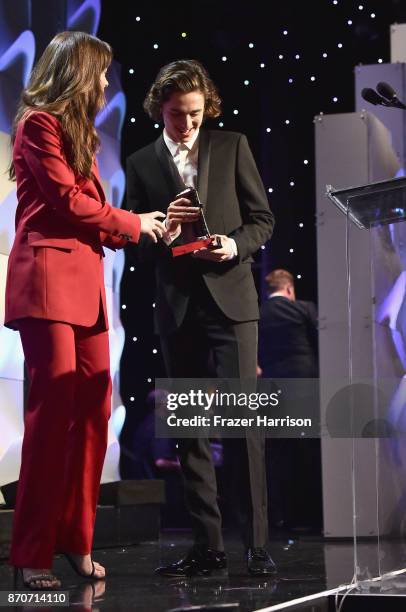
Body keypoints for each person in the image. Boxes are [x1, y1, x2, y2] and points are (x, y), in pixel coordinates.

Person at [5, 31, 165, 590]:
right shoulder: (38, 124)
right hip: (47, 286)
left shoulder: (82, 136)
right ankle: (30, 553)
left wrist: (148, 228)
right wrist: (130, 222)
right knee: (50, 419)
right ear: (75, 72)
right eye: (100, 73)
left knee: (94, 416)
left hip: (86, 293)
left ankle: (76, 540)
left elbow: (89, 211)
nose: (104, 84)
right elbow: (68, 203)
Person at [126, 59, 275, 576]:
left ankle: (256, 545)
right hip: (179, 306)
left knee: (243, 426)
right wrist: (163, 232)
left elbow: (263, 220)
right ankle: (207, 546)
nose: (185, 125)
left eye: (193, 114)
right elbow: (135, 246)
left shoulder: (232, 145)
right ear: (158, 110)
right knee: (191, 429)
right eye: (174, 115)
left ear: (206, 107)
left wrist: (232, 244)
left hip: (233, 303)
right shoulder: (142, 162)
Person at [258, 269, 321, 530]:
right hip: (306, 386)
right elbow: (321, 341)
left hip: (273, 390)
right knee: (309, 450)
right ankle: (315, 515)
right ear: (290, 289)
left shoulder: (258, 313)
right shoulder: (304, 309)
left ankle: (282, 516)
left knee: (278, 454)